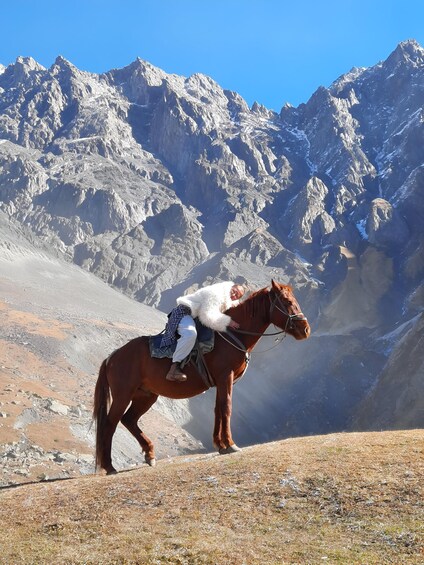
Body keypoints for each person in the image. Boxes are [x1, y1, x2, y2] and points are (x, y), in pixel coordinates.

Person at [161, 281, 245, 382]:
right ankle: (174, 368)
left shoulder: (226, 300)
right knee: (190, 334)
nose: (234, 295)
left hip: (195, 318)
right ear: (231, 287)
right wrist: (228, 321)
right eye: (235, 291)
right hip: (184, 313)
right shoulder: (217, 293)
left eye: (238, 296)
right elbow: (207, 316)